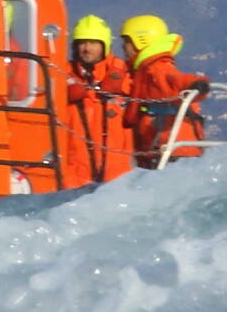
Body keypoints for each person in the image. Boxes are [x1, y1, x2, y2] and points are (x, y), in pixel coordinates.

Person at [119, 14, 209, 167]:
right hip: (162, 150)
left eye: (127, 42)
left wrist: (196, 84)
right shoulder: (143, 72)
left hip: (174, 153)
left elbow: (176, 80)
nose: (123, 47)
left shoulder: (156, 69)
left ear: (140, 41)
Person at [63, 14, 135, 184]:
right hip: (75, 172)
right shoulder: (61, 75)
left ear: (104, 46)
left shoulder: (124, 76)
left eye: (94, 43)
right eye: (82, 43)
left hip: (117, 173)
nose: (87, 48)